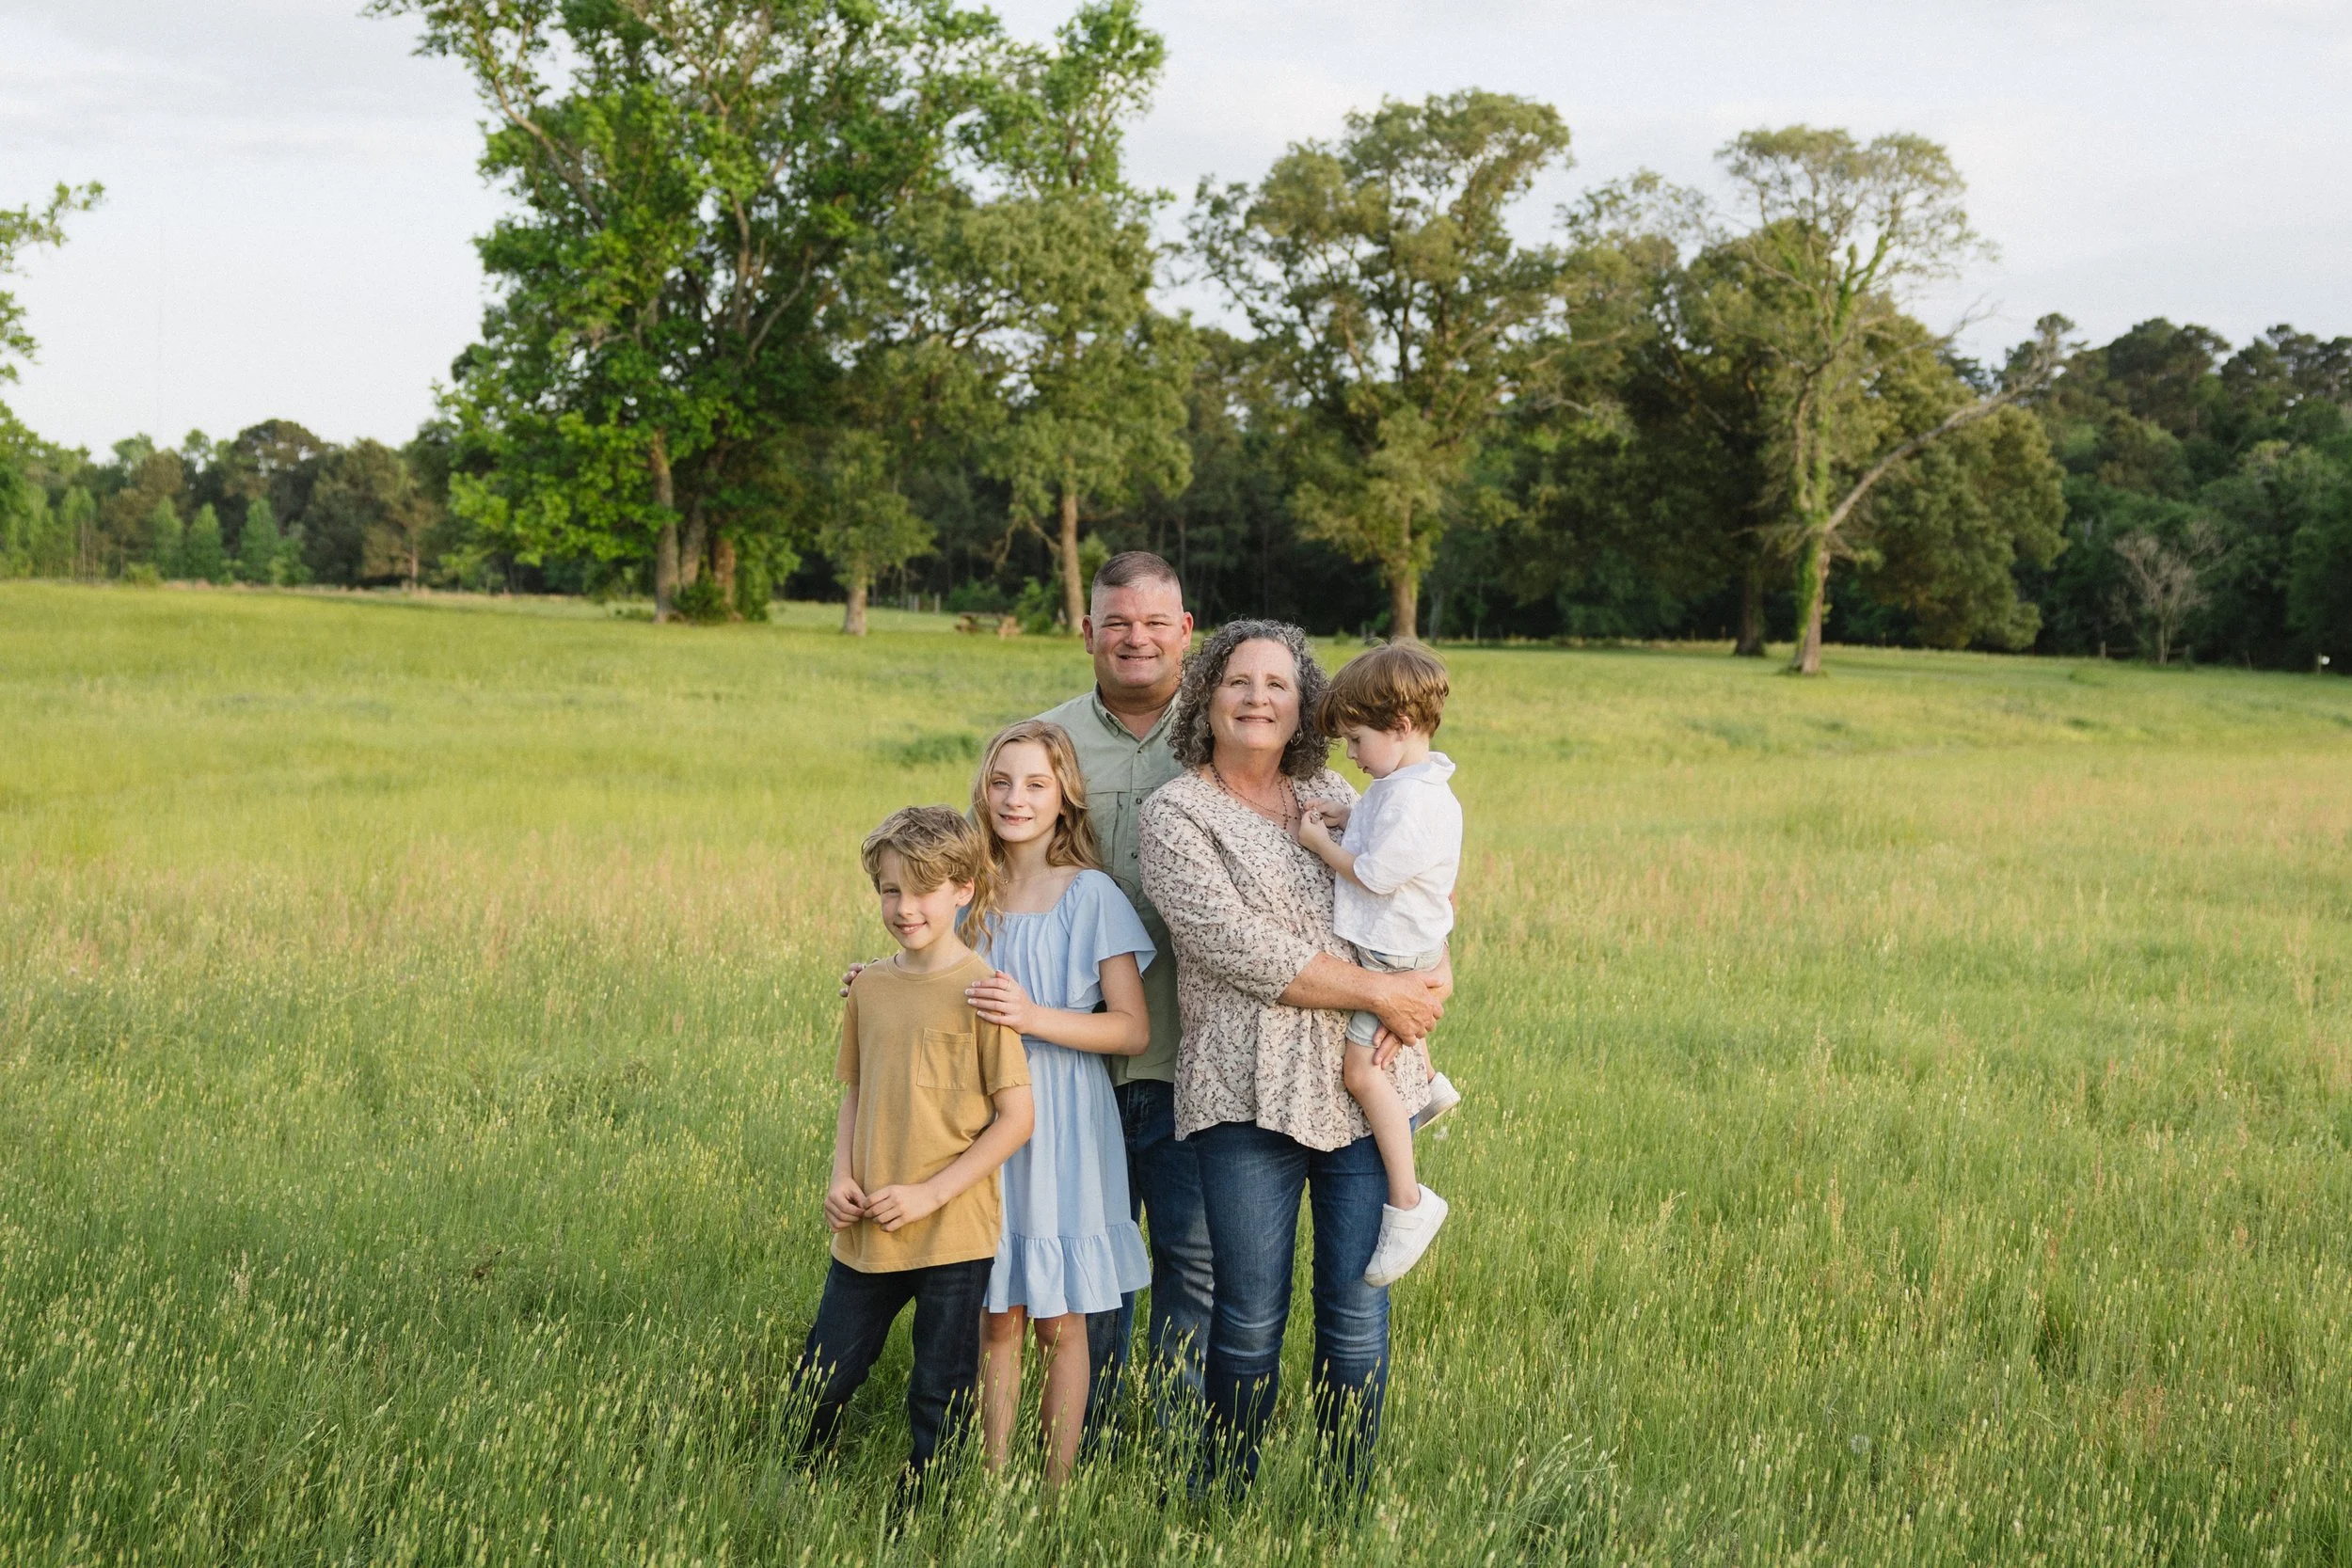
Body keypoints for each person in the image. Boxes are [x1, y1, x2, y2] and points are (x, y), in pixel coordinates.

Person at [1138, 620, 1451, 1495]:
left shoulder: (1331, 788)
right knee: (1246, 1318)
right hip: (1245, 1092)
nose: (1259, 698)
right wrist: (1381, 994)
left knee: (1355, 1317)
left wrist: (1436, 974)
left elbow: (1421, 883)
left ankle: (1339, 1499)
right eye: (1240, 681)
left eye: (1278, 684)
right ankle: (1223, 1492)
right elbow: (1237, 947)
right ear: (1207, 694)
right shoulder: (1177, 814)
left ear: (1303, 702)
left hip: (1361, 1089)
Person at [792, 806, 1034, 1484]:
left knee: (941, 1387)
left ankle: (925, 1508)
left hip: (954, 1233)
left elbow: (1016, 1118)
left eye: (924, 889)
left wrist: (930, 1192)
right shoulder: (868, 986)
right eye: (890, 889)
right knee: (822, 1375)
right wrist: (840, 1176)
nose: (904, 907)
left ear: (964, 889)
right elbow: (856, 1093)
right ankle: (794, 1482)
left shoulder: (984, 992)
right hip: (868, 1224)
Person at [1031, 552, 1215, 1423]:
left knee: (1193, 1262)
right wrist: (896, 973)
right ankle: (1088, 1443)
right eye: (1116, 621)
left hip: (1201, 1054)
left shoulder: (1232, 731)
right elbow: (984, 879)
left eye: (1153, 621)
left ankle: (1179, 1448)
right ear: (1087, 632)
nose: (1133, 637)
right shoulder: (1045, 742)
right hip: (1077, 1064)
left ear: (1185, 630)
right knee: (1089, 1264)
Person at [961, 721, 1156, 1488]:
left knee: (1060, 1316)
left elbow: (1131, 1028)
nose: (1016, 798)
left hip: (1066, 1116)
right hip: (978, 1116)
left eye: (1036, 783)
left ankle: (1058, 1485)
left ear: (1065, 795)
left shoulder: (1092, 894)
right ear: (983, 789)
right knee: (995, 1311)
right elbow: (930, 973)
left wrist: (1031, 1013)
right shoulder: (964, 891)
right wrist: (879, 981)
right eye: (1002, 781)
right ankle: (993, 1479)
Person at [1295, 641, 1464, 1288]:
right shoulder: (1404, 786)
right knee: (1382, 1056)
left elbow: (1373, 872)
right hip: (1398, 948)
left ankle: (1411, 1201)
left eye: (1358, 740)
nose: (1353, 757)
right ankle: (1426, 1085)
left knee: (1362, 1070)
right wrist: (1349, 811)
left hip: (1392, 954)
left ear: (1398, 728)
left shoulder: (1416, 800)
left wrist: (1318, 841)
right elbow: (1381, 821)